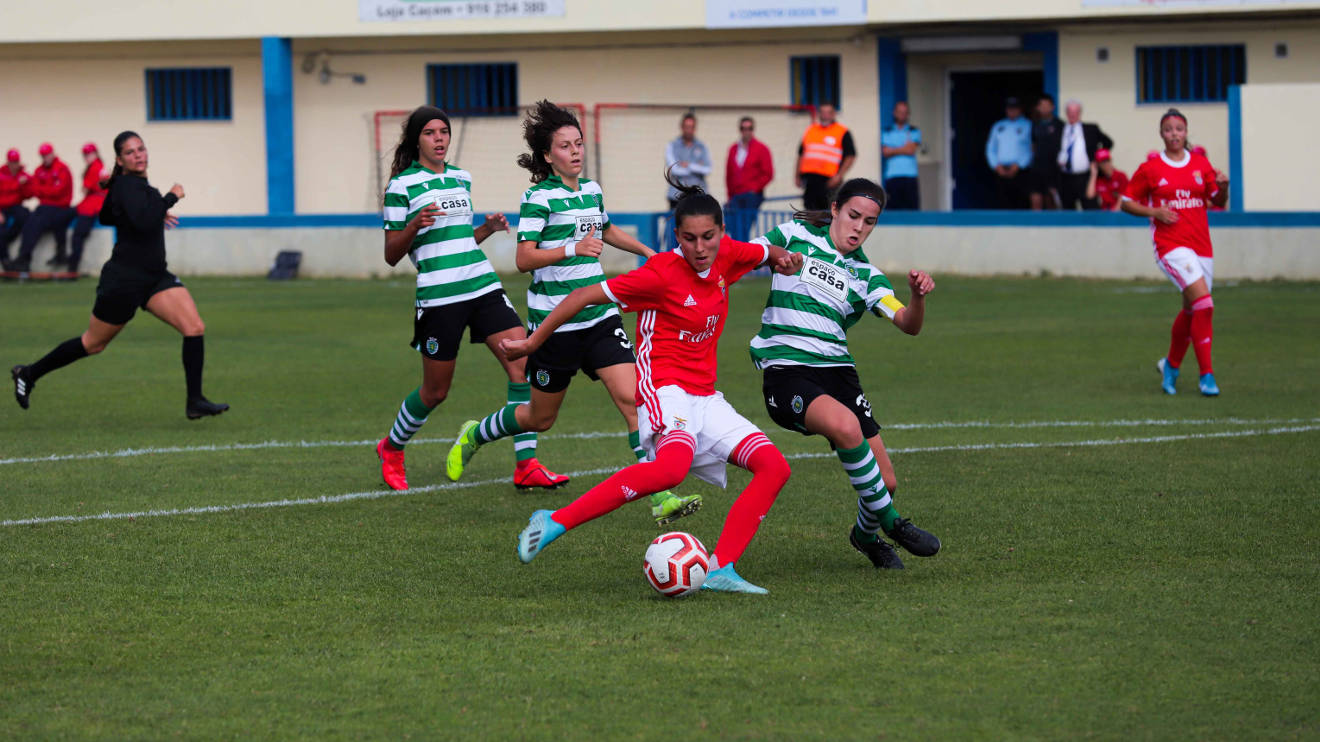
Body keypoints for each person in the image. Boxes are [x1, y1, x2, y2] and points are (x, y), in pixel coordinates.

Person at [504, 176, 803, 594]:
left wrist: (783, 258)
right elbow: (580, 297)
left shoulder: (728, 255)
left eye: (709, 237)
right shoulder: (660, 273)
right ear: (675, 236)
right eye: (689, 239)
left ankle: (721, 568)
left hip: (705, 395)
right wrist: (534, 341)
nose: (700, 249)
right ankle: (553, 520)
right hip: (664, 388)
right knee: (671, 469)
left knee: (774, 467)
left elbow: (763, 252)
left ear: (721, 232)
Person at [445, 100, 702, 525]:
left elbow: (605, 228)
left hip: (599, 317)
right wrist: (571, 249)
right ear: (549, 156)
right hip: (555, 324)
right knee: (538, 418)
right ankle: (475, 433)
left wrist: (647, 252)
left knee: (634, 399)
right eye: (565, 146)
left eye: (579, 143)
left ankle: (661, 495)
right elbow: (524, 259)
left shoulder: (592, 190)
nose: (575, 151)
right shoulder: (537, 198)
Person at [749, 178, 941, 569]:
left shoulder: (864, 273)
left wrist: (918, 297)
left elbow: (908, 323)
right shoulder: (796, 233)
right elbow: (750, 253)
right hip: (788, 369)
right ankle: (893, 524)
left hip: (838, 375)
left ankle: (865, 536)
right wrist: (774, 256)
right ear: (835, 208)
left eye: (869, 222)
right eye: (853, 216)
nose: (859, 228)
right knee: (848, 427)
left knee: (885, 483)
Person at [373, 105, 563, 492]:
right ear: (416, 139)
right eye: (430, 133)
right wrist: (413, 225)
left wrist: (487, 230)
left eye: (444, 131)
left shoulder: (462, 178)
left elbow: (457, 240)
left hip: (482, 285)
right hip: (440, 297)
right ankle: (392, 447)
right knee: (436, 391)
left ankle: (526, 465)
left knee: (521, 367)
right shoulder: (402, 186)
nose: (439, 139)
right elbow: (392, 254)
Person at [11, 131, 228, 419]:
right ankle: (28, 373)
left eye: (141, 149)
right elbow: (140, 220)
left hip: (154, 277)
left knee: (194, 327)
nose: (138, 155)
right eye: (130, 152)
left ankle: (195, 400)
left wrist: (149, 208)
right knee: (93, 343)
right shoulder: (128, 186)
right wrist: (169, 198)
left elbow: (107, 216)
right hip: (124, 281)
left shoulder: (130, 186)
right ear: (120, 159)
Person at [1120, 109, 1229, 397]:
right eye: (1168, 129)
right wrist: (1153, 211)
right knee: (1205, 304)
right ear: (1161, 134)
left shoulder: (1201, 163)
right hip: (1171, 246)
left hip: (1201, 245)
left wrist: (1223, 187)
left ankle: (1171, 365)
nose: (1174, 134)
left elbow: (1217, 200)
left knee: (1193, 309)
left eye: (1179, 129)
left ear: (1186, 131)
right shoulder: (1151, 168)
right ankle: (1207, 376)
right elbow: (1126, 202)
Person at [11, 143, 74, 271]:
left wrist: (41, 190)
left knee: (37, 222)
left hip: (60, 208)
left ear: (52, 154)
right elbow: (33, 191)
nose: (46, 157)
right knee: (29, 223)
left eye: (47, 154)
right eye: (43, 155)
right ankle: (24, 259)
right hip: (45, 207)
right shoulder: (39, 170)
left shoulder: (62, 169)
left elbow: (58, 192)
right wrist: (37, 188)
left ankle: (24, 258)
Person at [1054, 99, 1113, 210]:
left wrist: (1097, 159)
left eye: (1075, 111)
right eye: (1070, 111)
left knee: (1090, 206)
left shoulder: (1090, 129)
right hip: (1064, 176)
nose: (1072, 114)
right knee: (1067, 209)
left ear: (1080, 113)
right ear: (1066, 113)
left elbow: (1108, 142)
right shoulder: (1059, 129)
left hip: (1085, 176)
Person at [796, 103, 855, 211]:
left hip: (829, 181)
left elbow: (850, 156)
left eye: (828, 112)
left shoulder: (842, 131)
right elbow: (801, 154)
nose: (825, 115)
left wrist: (839, 176)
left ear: (834, 114)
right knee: (810, 211)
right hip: (810, 180)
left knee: (828, 212)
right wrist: (797, 175)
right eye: (822, 112)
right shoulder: (811, 130)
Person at [724, 116, 774, 241]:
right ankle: (738, 256)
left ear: (753, 130)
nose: (746, 131)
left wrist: (754, 188)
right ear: (740, 130)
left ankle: (742, 256)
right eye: (743, 128)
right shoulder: (733, 149)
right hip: (736, 197)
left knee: (744, 228)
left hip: (751, 196)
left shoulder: (761, 148)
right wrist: (729, 197)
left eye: (749, 128)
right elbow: (729, 175)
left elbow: (768, 173)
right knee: (734, 228)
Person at [65, 142, 108, 274]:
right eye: (85, 154)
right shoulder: (97, 167)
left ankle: (72, 268)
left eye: (89, 154)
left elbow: (86, 189)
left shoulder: (96, 167)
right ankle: (67, 261)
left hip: (93, 205)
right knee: (64, 219)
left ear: (95, 154)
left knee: (78, 236)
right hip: (89, 203)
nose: (87, 157)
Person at [985, 98, 1033, 209]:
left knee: (1021, 202)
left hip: (1020, 171)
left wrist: (1019, 165)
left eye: (1015, 108)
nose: (1012, 111)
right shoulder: (998, 126)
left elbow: (1031, 149)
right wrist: (996, 165)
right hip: (1001, 170)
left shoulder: (1028, 125)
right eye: (1009, 109)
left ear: (1020, 109)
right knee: (1003, 202)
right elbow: (991, 147)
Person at [880, 101, 921, 211]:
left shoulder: (914, 131)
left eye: (905, 112)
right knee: (893, 210)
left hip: (910, 176)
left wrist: (893, 149)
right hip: (892, 176)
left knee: (912, 211)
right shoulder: (886, 131)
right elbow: (885, 152)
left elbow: (911, 150)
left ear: (908, 114)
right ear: (894, 113)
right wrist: (904, 148)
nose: (902, 114)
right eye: (899, 112)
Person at [665, 113, 711, 209]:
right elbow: (675, 170)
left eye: (691, 127)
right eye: (686, 127)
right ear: (681, 127)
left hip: (698, 196)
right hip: (677, 196)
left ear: (695, 128)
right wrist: (697, 167)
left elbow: (707, 169)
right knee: (676, 223)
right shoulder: (672, 146)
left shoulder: (702, 146)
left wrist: (688, 165)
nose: (689, 130)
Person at [1, 148, 33, 269]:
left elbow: (29, 195)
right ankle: (5, 260)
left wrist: (24, 185)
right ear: (8, 162)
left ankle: (22, 257)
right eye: (12, 162)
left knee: (27, 216)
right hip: (1, 207)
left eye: (16, 162)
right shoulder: (1, 174)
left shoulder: (23, 175)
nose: (14, 165)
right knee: (0, 230)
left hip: (15, 206)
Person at [1029, 94, 1063, 210]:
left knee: (1051, 201)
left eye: (1047, 105)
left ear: (1052, 107)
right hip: (1037, 168)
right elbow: (1033, 144)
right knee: (1035, 199)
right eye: (1041, 105)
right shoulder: (1034, 124)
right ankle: (1034, 226)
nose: (1044, 108)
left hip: (1053, 169)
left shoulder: (1060, 125)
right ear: (1037, 108)